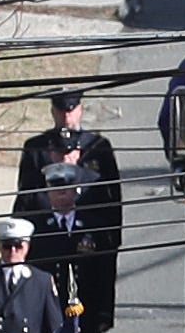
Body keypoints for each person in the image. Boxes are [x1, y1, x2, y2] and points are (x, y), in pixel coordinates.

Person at [28, 162, 120, 333]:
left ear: (76, 190)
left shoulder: (94, 227)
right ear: (47, 191)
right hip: (49, 312)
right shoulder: (37, 229)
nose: (61, 192)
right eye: (55, 187)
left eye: (67, 186)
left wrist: (105, 313)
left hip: (85, 312)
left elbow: (105, 274)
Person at [14, 89, 122, 229]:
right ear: (52, 112)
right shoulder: (36, 148)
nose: (66, 116)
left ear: (80, 110)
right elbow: (26, 196)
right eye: (60, 111)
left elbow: (113, 195)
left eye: (70, 111)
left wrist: (114, 235)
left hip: (91, 226)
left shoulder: (97, 146)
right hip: (46, 229)